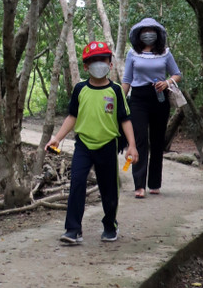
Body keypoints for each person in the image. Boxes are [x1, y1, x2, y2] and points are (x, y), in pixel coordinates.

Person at [46, 39, 138, 245]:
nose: (99, 64)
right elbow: (72, 116)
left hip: (107, 145)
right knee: (77, 184)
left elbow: (125, 119)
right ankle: (73, 230)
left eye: (102, 59)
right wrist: (57, 138)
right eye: (93, 60)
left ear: (110, 64)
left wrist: (132, 145)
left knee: (109, 189)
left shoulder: (115, 91)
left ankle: (109, 225)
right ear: (86, 66)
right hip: (83, 145)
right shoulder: (80, 89)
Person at [122, 17, 181, 197]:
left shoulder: (165, 53)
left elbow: (177, 74)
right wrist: (119, 102)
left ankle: (154, 183)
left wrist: (167, 82)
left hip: (160, 99)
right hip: (138, 99)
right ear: (139, 34)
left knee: (157, 142)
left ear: (157, 33)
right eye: (144, 30)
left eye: (152, 30)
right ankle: (139, 186)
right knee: (139, 140)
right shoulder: (132, 54)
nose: (148, 33)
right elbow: (126, 80)